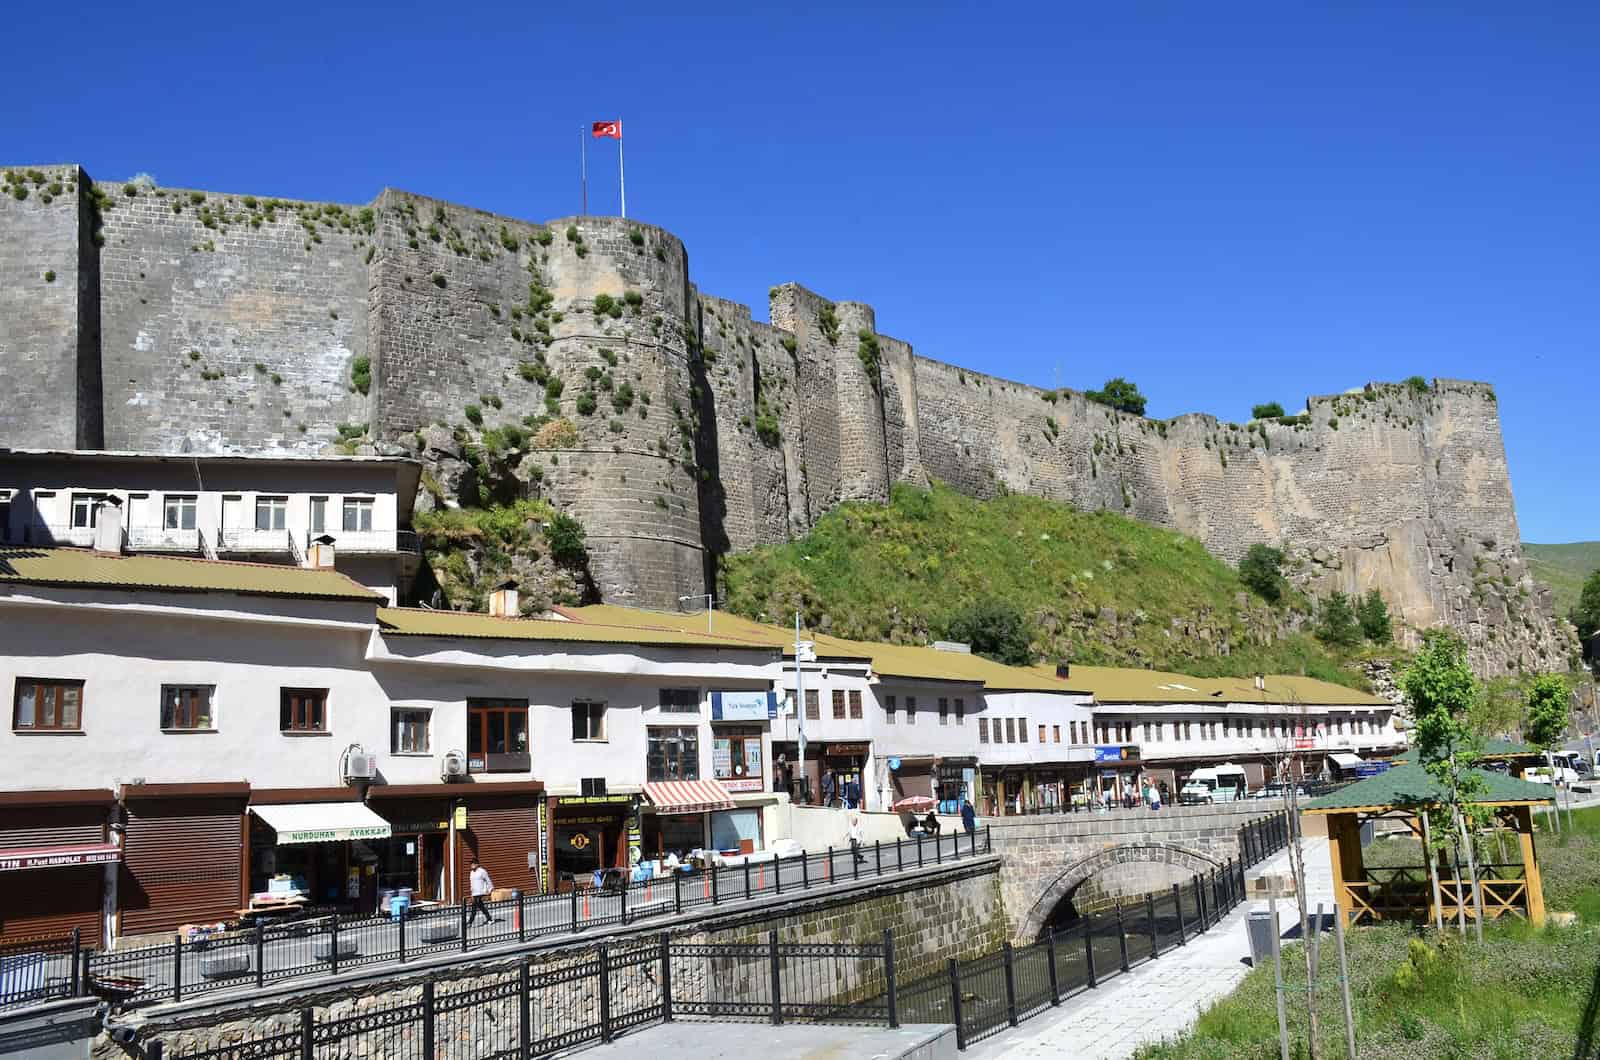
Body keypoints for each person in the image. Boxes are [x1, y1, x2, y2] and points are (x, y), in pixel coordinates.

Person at [466, 859, 495, 926]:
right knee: (481, 906)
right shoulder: (471, 873)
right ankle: (490, 919)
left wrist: (490, 889)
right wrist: (471, 894)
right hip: (475, 892)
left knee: (474, 907)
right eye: (471, 864)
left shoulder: (482, 871)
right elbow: (472, 883)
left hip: (481, 892)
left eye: (473, 863)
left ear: (477, 864)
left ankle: (470, 922)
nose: (471, 865)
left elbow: (488, 880)